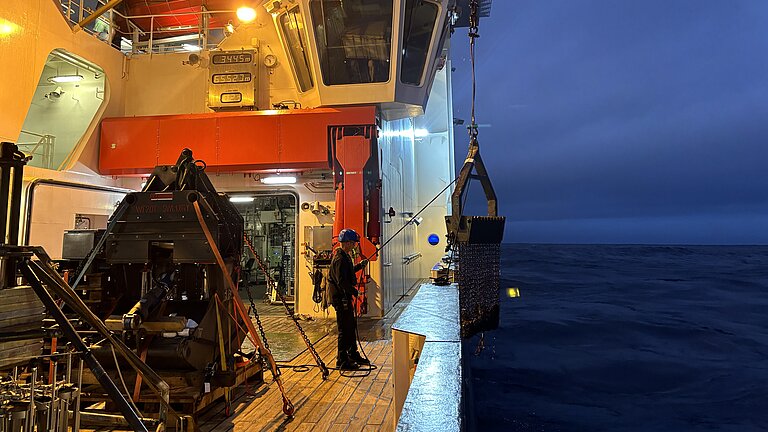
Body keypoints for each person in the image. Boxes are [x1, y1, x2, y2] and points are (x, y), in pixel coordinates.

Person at [328, 228, 369, 370]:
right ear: (346, 243)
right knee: (344, 330)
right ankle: (342, 360)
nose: (354, 246)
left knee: (350, 327)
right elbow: (341, 281)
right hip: (341, 299)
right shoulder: (339, 259)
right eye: (353, 243)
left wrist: (359, 266)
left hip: (345, 297)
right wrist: (354, 291)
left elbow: (347, 273)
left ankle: (353, 354)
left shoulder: (345, 256)